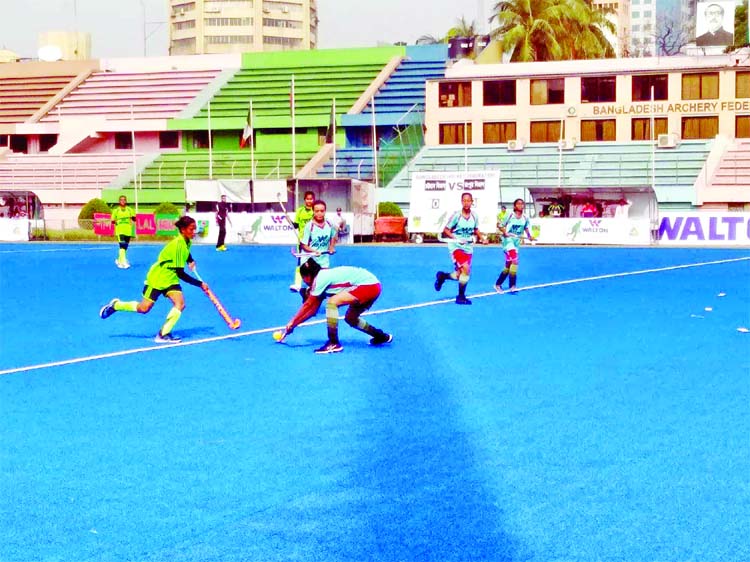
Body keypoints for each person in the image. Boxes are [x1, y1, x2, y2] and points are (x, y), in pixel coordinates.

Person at [99, 216, 208, 344]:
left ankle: (163, 334)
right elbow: (181, 274)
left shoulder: (186, 241)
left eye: (195, 229)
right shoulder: (178, 244)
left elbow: (186, 252)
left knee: (180, 304)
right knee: (144, 309)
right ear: (183, 230)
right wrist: (199, 284)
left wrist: (190, 260)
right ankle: (116, 305)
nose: (194, 232)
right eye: (191, 229)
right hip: (158, 278)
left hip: (171, 278)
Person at [278, 259, 392, 354]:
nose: (304, 282)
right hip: (374, 286)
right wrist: (293, 325)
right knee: (350, 318)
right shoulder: (322, 278)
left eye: (303, 279)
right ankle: (380, 336)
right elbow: (312, 311)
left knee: (332, 302)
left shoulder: (320, 278)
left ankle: (333, 342)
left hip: (368, 286)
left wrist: (291, 322)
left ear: (307, 276)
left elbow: (308, 304)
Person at [434, 192, 488, 305]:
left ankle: (442, 276)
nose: (466, 203)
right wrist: (455, 238)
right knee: (466, 269)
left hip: (468, 247)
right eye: (464, 200)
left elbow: (475, 229)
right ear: (461, 202)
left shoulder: (474, 216)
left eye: (469, 200)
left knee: (459, 275)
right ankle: (460, 297)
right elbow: (446, 229)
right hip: (456, 246)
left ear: (472, 202)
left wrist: (482, 238)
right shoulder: (457, 215)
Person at [495, 198, 535, 293]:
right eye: (518, 204)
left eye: (522, 204)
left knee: (509, 265)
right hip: (508, 241)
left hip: (516, 242)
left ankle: (498, 284)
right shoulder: (509, 215)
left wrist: (529, 236)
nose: (521, 205)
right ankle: (512, 285)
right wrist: (504, 232)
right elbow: (499, 225)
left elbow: (526, 228)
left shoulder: (525, 218)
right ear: (514, 206)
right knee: (515, 261)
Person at [289, 190, 315, 292]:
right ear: (304, 200)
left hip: (313, 241)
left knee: (313, 263)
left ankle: (313, 284)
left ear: (313, 200)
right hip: (301, 241)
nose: (309, 201)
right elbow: (296, 225)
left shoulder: (315, 211)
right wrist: (290, 222)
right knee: (300, 262)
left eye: (311, 199)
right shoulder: (299, 211)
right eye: (307, 199)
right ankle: (297, 284)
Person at [111, 195, 136, 269]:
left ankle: (119, 260)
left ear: (126, 201)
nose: (123, 201)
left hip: (128, 230)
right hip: (120, 230)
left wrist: (134, 218)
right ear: (119, 201)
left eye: (124, 200)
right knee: (122, 246)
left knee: (125, 247)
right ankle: (123, 262)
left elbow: (134, 219)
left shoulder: (129, 210)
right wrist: (115, 221)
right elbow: (113, 221)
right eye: (121, 200)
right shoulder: (116, 210)